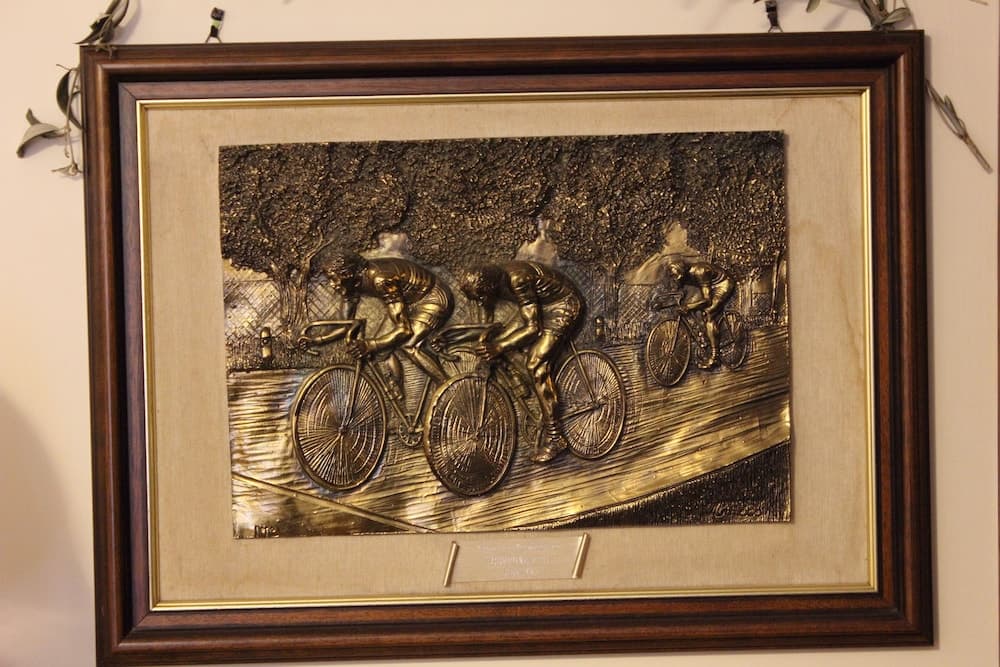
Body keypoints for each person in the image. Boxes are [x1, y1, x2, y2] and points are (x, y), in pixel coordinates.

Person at [456, 261, 583, 463]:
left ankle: (555, 437)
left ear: (490, 287)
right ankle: (520, 381)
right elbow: (487, 318)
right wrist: (469, 338)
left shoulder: (518, 280)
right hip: (538, 306)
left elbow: (533, 328)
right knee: (502, 339)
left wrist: (499, 347)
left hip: (562, 305)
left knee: (536, 365)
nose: (480, 302)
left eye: (481, 297)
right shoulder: (489, 284)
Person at [297, 248, 452, 386]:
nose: (332, 284)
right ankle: (395, 392)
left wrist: (369, 345)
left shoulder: (381, 280)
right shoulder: (350, 284)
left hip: (432, 298)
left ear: (347, 274)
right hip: (408, 302)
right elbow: (346, 325)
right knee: (382, 349)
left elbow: (404, 330)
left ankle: (447, 388)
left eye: (333, 278)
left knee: (409, 346)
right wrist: (317, 340)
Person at [666, 258, 734, 369]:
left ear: (682, 272)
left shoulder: (700, 271)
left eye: (676, 276)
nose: (675, 279)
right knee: (693, 306)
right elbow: (677, 291)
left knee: (708, 313)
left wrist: (688, 306)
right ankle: (704, 336)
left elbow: (707, 300)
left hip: (722, 284)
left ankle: (715, 357)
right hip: (707, 286)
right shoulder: (683, 275)